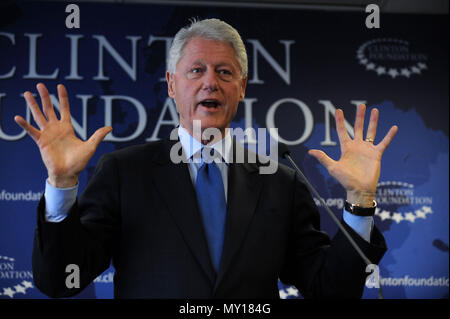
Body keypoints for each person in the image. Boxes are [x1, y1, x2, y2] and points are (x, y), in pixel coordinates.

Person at [14, 18, 398, 299]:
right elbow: (61, 280)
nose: (210, 82)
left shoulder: (281, 180)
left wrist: (360, 203)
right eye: (196, 70)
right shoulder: (125, 172)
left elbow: (329, 291)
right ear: (171, 85)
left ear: (242, 87)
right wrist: (62, 185)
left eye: (224, 72)